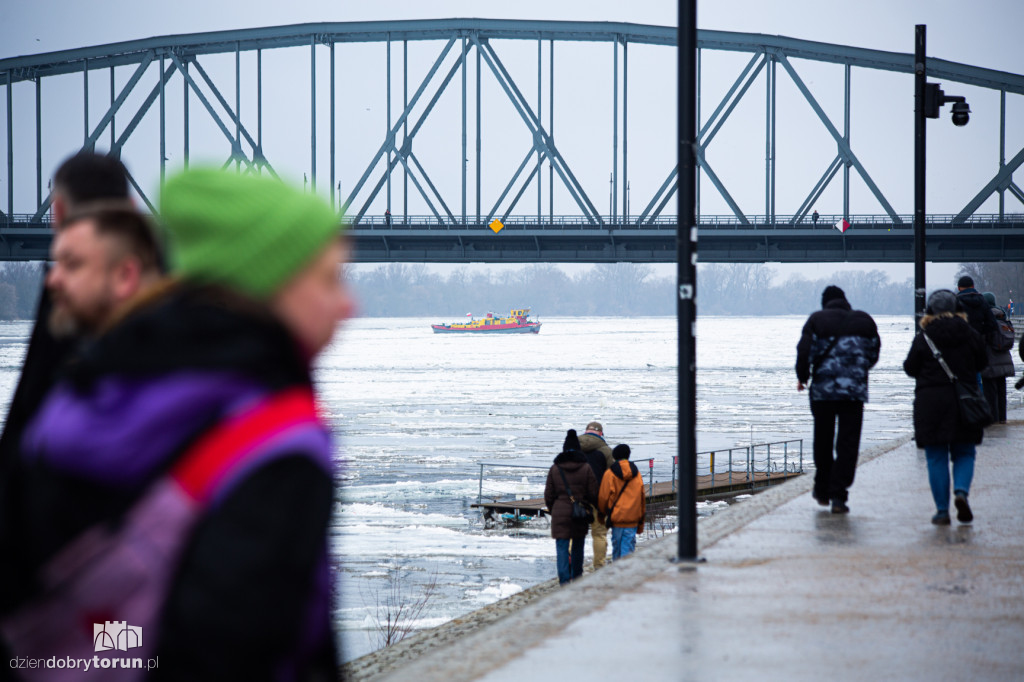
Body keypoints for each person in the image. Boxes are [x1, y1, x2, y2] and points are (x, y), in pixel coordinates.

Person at [0, 167, 353, 678]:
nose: (349, 304)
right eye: (328, 278)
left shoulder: (95, 387)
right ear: (272, 285)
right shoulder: (277, 442)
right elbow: (234, 650)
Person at [903, 290, 988, 525]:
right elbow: (982, 363)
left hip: (932, 403)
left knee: (936, 456)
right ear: (958, 310)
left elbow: (910, 368)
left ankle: (942, 511)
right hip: (965, 402)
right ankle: (961, 491)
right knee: (965, 452)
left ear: (930, 311)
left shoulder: (924, 336)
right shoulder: (970, 334)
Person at [795, 285, 880, 514]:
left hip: (822, 393)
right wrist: (856, 372)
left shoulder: (816, 320)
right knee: (848, 443)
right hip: (853, 393)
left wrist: (803, 377)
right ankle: (839, 495)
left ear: (825, 302)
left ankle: (822, 489)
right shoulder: (865, 321)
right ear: (845, 300)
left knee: (823, 439)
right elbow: (873, 355)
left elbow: (804, 352)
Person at [544, 429, 597, 585]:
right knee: (577, 547)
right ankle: (577, 577)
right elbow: (593, 493)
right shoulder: (586, 468)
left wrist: (555, 509)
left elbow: (548, 494)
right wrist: (589, 506)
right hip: (579, 514)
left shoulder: (555, 468)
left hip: (560, 513)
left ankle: (564, 580)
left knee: (561, 547)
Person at [598, 444, 646, 560]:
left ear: (614, 457)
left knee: (617, 550)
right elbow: (642, 498)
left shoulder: (609, 474)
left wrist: (602, 516)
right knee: (628, 551)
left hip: (617, 518)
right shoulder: (637, 474)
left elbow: (603, 497)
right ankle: (626, 575)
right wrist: (641, 523)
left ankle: (618, 574)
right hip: (632, 519)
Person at [578, 421, 613, 569]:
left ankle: (572, 565)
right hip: (599, 498)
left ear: (586, 431)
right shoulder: (606, 451)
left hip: (577, 498)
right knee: (599, 534)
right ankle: (599, 566)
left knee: (576, 533)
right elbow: (613, 476)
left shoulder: (573, 447)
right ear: (600, 433)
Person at [980, 292, 1015, 423]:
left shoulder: (986, 317)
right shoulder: (1003, 315)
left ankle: (992, 419)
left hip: (990, 358)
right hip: (1004, 358)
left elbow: (983, 338)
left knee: (990, 391)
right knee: (1001, 391)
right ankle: (1002, 417)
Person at [955, 275, 998, 341]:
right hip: (979, 342)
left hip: (961, 342)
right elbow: (992, 323)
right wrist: (980, 333)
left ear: (959, 288)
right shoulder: (982, 301)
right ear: (973, 286)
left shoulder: (955, 303)